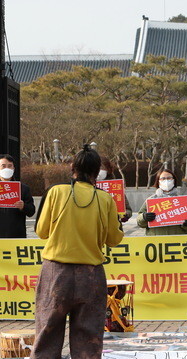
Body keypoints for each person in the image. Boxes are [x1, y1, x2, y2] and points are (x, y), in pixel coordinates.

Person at [32, 144, 124, 358]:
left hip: (56, 274)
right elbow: (114, 239)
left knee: (47, 331)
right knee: (89, 337)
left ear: (72, 167)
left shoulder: (55, 192)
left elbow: (42, 231)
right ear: (97, 172)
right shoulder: (105, 199)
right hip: (91, 276)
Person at [137, 168, 187, 235]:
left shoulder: (181, 201)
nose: (166, 180)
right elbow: (140, 222)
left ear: (174, 181)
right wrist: (144, 217)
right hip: (156, 241)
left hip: (177, 241)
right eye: (163, 178)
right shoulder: (151, 200)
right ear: (158, 182)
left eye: (169, 178)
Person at [97, 156, 132, 222]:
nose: (99, 171)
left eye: (102, 168)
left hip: (113, 226)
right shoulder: (86, 186)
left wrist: (125, 215)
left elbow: (127, 209)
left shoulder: (115, 187)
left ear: (108, 169)